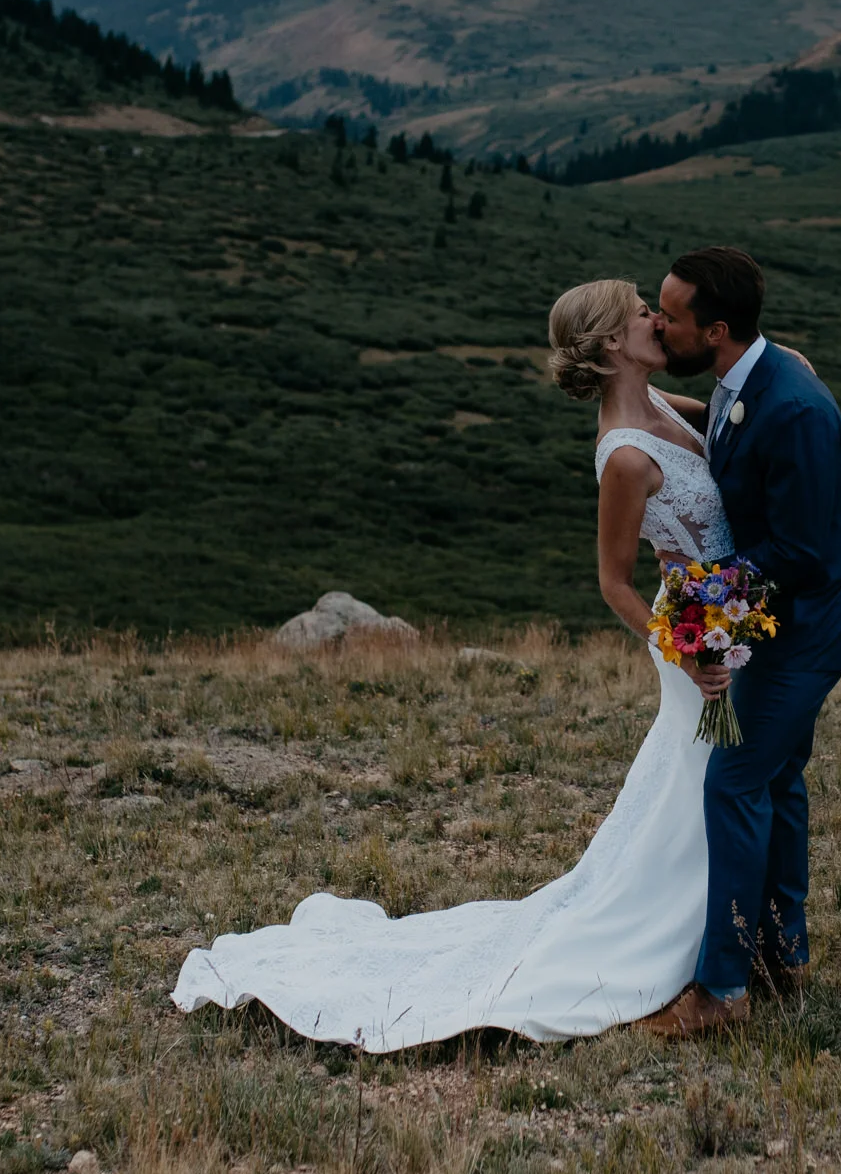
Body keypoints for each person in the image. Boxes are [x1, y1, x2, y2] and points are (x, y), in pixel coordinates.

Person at [168, 278, 730, 1048]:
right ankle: (688, 945)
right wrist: (684, 649)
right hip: (691, 638)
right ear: (610, 344)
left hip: (720, 613)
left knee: (697, 786)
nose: (654, 317)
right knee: (699, 786)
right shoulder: (625, 455)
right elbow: (611, 582)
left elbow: (737, 423)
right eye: (640, 310)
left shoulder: (662, 404)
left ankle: (722, 937)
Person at [637, 246, 841, 1039]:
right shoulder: (746, 381)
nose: (660, 323)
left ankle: (723, 991)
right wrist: (635, 392)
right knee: (776, 778)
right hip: (778, 620)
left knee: (734, 781)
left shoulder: (796, 409)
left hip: (807, 631)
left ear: (719, 328)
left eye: (671, 316)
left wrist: (698, 608)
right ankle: (783, 954)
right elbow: (725, 421)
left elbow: (801, 555)